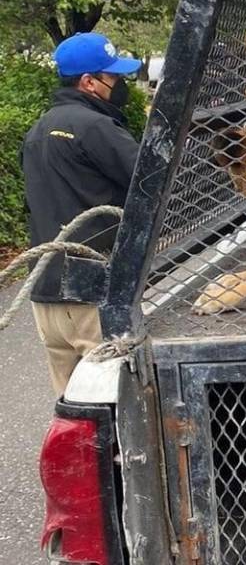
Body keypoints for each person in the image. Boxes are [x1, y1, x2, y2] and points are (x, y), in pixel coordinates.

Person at [20, 32, 141, 395]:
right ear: (90, 82)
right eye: (114, 77)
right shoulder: (96, 127)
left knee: (72, 408)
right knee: (116, 405)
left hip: (46, 295)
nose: (119, 85)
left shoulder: (37, 131)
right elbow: (151, 182)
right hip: (89, 295)